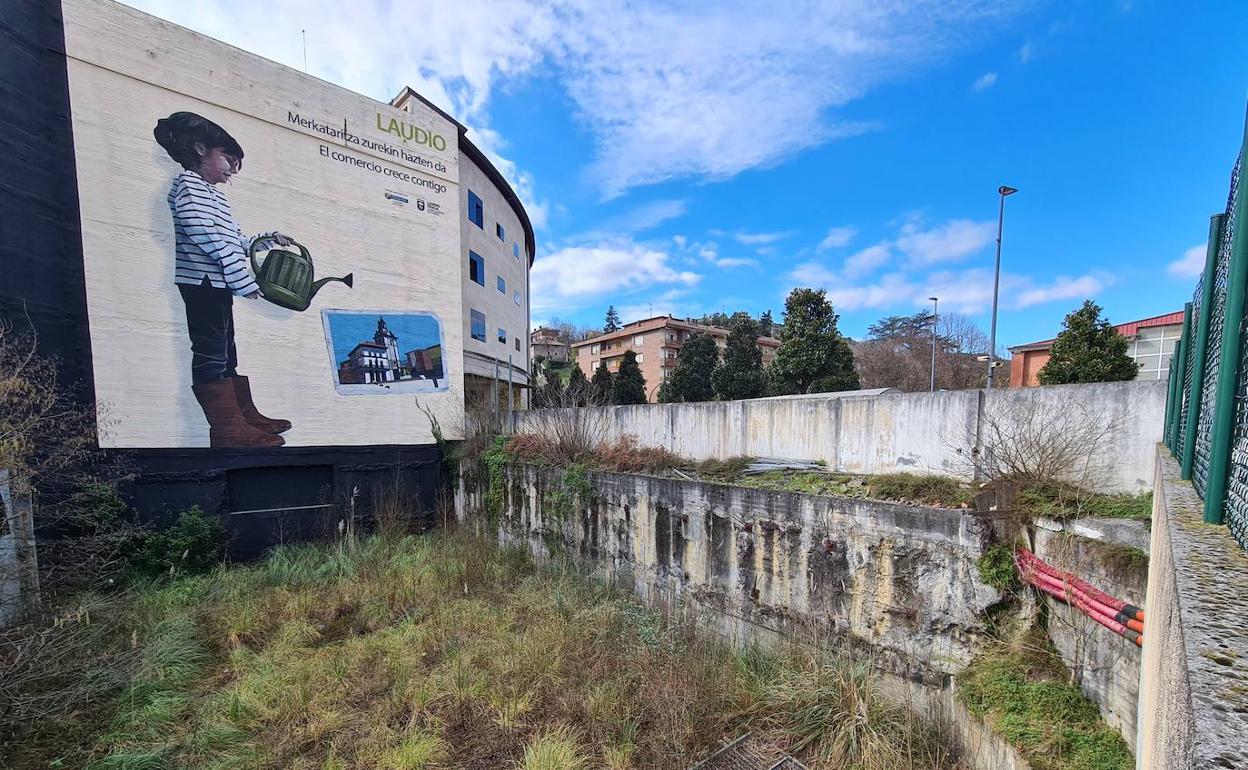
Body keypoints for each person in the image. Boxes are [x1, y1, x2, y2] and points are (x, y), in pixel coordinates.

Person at [154, 111, 292, 447]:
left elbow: (234, 241)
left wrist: (266, 239)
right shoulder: (188, 185)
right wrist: (241, 278)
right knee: (211, 352)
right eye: (228, 159)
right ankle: (228, 430)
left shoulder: (213, 194)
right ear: (200, 148)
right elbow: (206, 237)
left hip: (216, 282)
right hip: (201, 281)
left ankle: (245, 418)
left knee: (227, 351)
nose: (232, 170)